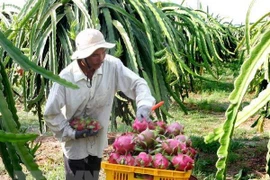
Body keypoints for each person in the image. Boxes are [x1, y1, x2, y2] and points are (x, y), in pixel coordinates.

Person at [44, 28, 155, 180]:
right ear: (83, 57)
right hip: (74, 143)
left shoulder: (112, 66)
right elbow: (51, 113)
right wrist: (71, 133)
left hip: (97, 140)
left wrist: (143, 104)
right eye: (95, 55)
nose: (101, 58)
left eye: (103, 52)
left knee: (92, 176)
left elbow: (137, 83)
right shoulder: (66, 77)